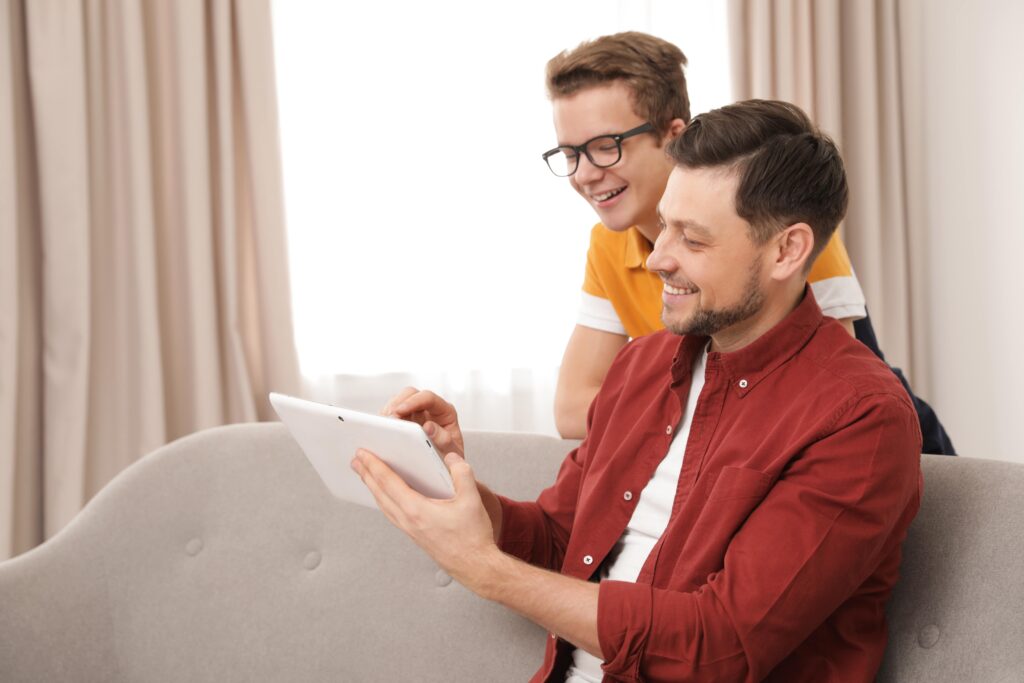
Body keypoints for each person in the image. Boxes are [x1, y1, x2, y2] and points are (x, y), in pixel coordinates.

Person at [352, 100, 923, 682]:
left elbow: (719, 645)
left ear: (787, 251)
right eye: (664, 225)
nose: (658, 258)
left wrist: (485, 571)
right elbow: (559, 540)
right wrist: (459, 490)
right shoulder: (643, 365)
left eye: (694, 241)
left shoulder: (861, 418)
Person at [546, 32, 954, 455]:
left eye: (604, 148)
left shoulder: (780, 220)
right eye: (571, 154)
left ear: (673, 136)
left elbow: (824, 400)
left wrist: (661, 406)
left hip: (882, 450)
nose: (584, 175)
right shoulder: (609, 244)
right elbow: (573, 410)